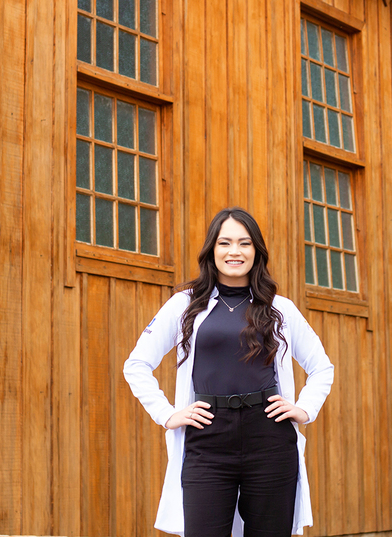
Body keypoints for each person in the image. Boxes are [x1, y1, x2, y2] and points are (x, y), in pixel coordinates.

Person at [124, 207, 334, 537]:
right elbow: (136, 365)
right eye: (225, 243)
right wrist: (167, 414)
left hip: (269, 438)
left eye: (244, 243)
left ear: (256, 252)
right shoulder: (185, 305)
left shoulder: (281, 309)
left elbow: (321, 367)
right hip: (207, 438)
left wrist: (304, 409)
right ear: (212, 250)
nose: (234, 252)